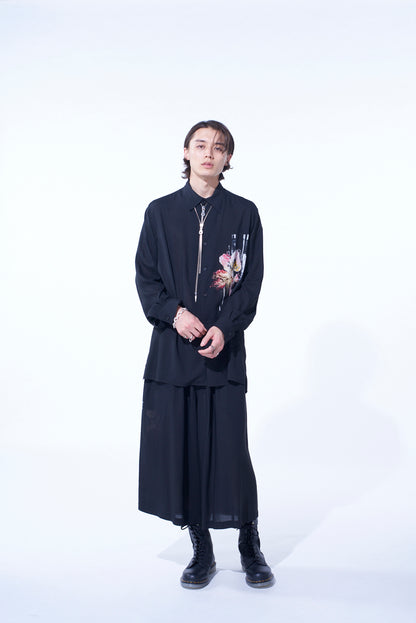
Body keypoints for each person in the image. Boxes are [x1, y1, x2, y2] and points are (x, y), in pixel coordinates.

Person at [135, 120, 274, 589]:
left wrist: (224, 327)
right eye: (201, 145)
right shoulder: (159, 213)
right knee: (184, 452)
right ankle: (201, 549)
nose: (209, 153)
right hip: (172, 353)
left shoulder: (244, 214)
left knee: (231, 451)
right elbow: (146, 277)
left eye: (219, 147)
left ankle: (249, 544)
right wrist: (174, 314)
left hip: (223, 352)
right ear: (186, 153)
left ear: (228, 158)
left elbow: (249, 283)